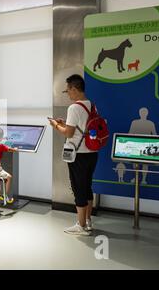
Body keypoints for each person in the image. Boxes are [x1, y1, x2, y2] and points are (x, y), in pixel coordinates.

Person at [49, 74, 98, 236]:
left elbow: (69, 134)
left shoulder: (74, 107)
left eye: (68, 90)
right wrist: (65, 124)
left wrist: (56, 125)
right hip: (91, 153)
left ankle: (81, 225)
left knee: (78, 188)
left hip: (78, 154)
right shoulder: (91, 105)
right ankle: (88, 221)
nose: (68, 94)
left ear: (74, 89)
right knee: (87, 186)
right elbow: (81, 128)